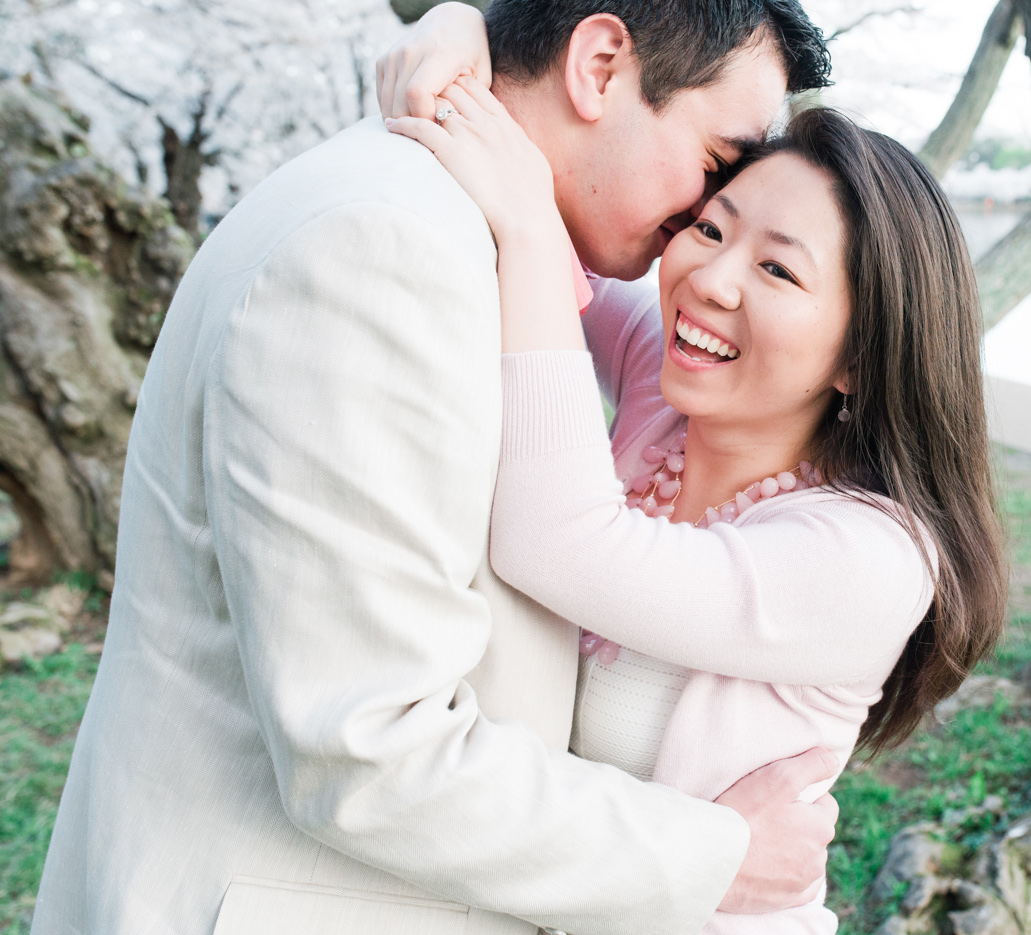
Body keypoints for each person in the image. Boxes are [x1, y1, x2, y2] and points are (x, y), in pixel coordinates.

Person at [31, 4, 840, 935]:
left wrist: (464, 30)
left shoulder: (457, 222)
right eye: (715, 163)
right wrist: (715, 856)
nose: (706, 213)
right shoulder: (384, 247)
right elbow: (368, 745)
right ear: (601, 63)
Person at [383, 59, 1009, 935]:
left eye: (780, 272)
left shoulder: (868, 556)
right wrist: (460, 37)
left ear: (860, 359)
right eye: (710, 229)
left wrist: (527, 229)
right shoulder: (668, 388)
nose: (711, 281)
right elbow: (566, 229)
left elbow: (557, 540)